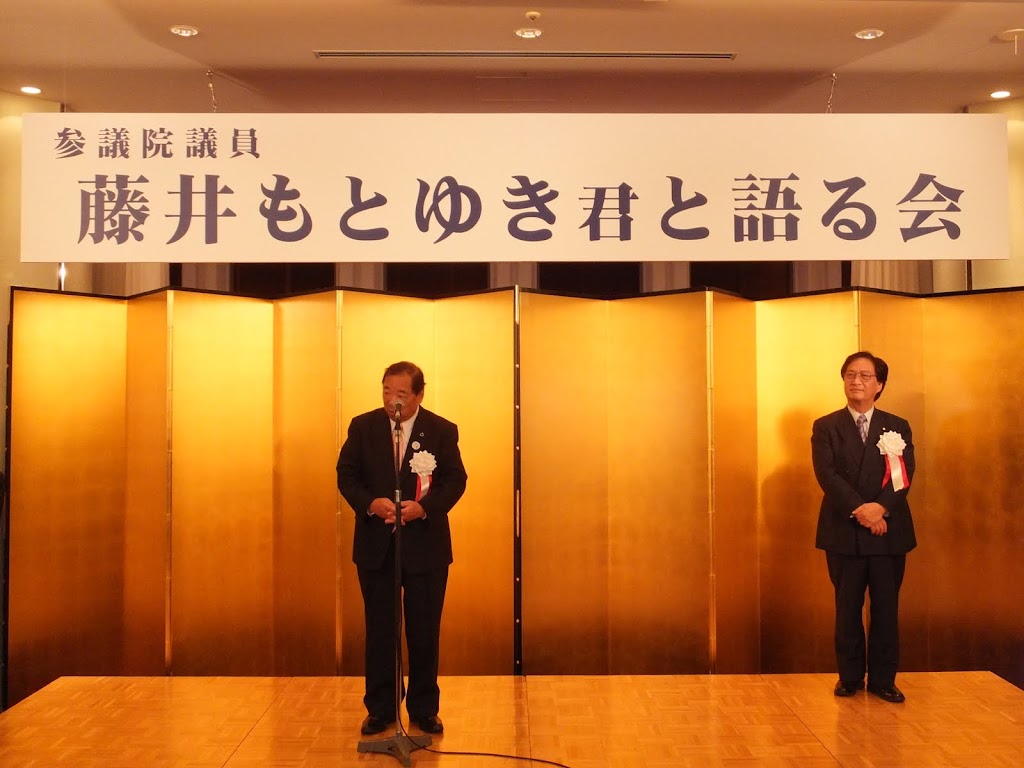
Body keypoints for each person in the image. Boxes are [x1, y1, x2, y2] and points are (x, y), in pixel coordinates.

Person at [337, 361, 467, 736]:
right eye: (386, 391)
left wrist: (424, 508)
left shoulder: (441, 430)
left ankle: (424, 708)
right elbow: (346, 474)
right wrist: (370, 503)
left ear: (419, 394)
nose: (392, 401)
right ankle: (381, 708)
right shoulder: (363, 427)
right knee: (380, 630)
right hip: (377, 546)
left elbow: (456, 480)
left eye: (401, 394)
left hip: (426, 547)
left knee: (424, 631)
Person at [811, 351, 916, 703]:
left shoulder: (897, 425)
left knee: (886, 609)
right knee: (847, 608)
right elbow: (827, 474)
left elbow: (904, 474)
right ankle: (850, 676)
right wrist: (861, 511)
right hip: (845, 531)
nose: (856, 381)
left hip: (889, 532)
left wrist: (880, 509)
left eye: (865, 376)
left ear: (879, 385)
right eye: (850, 375)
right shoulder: (826, 426)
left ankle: (884, 680)